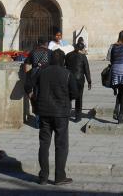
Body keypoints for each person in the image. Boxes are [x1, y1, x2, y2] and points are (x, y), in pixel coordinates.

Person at [26, 49, 78, 186]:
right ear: (63, 61)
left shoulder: (41, 72)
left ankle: (43, 177)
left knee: (44, 144)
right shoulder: (67, 73)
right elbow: (75, 93)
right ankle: (59, 176)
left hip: (43, 112)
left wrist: (34, 99)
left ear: (50, 60)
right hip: (61, 113)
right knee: (61, 145)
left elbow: (28, 85)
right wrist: (66, 99)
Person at [64, 42, 92, 122]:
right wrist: (89, 81)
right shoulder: (83, 57)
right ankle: (78, 116)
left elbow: (65, 66)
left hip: (69, 79)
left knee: (68, 96)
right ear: (81, 49)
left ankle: (66, 114)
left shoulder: (68, 55)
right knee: (79, 98)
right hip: (79, 79)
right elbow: (86, 69)